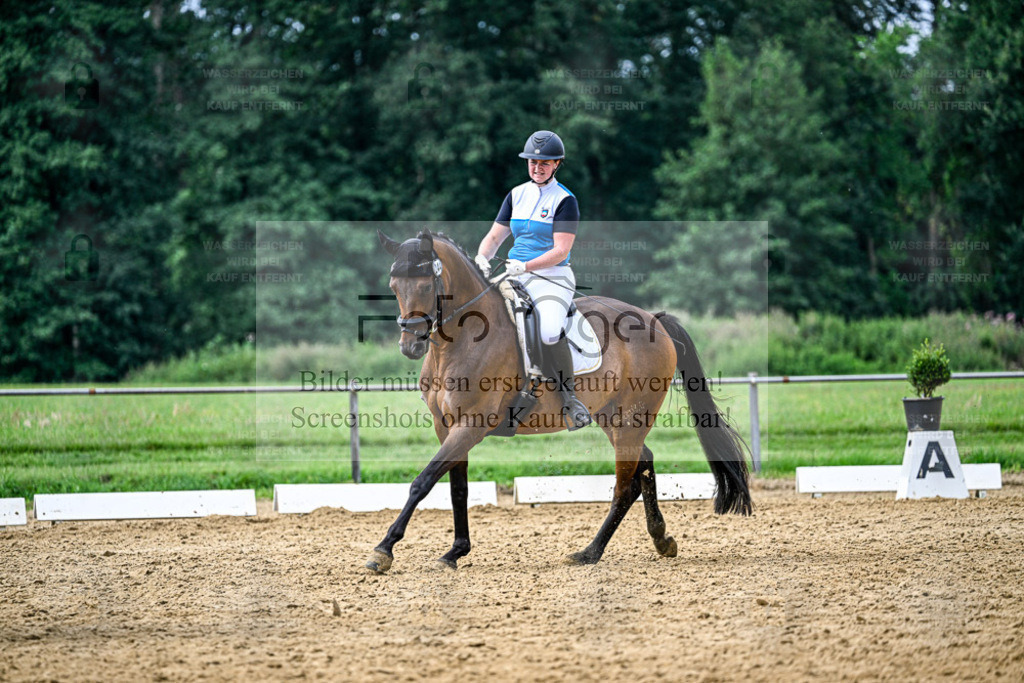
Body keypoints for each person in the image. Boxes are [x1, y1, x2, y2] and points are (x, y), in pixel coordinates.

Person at [475, 130, 591, 430]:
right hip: (515, 273)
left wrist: (525, 265)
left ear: (557, 164)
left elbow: (560, 250)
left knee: (550, 331)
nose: (537, 167)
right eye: (533, 162)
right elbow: (495, 237)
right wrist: (482, 259)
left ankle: (570, 399)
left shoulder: (565, 200)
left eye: (544, 163)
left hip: (552, 276)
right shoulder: (516, 195)